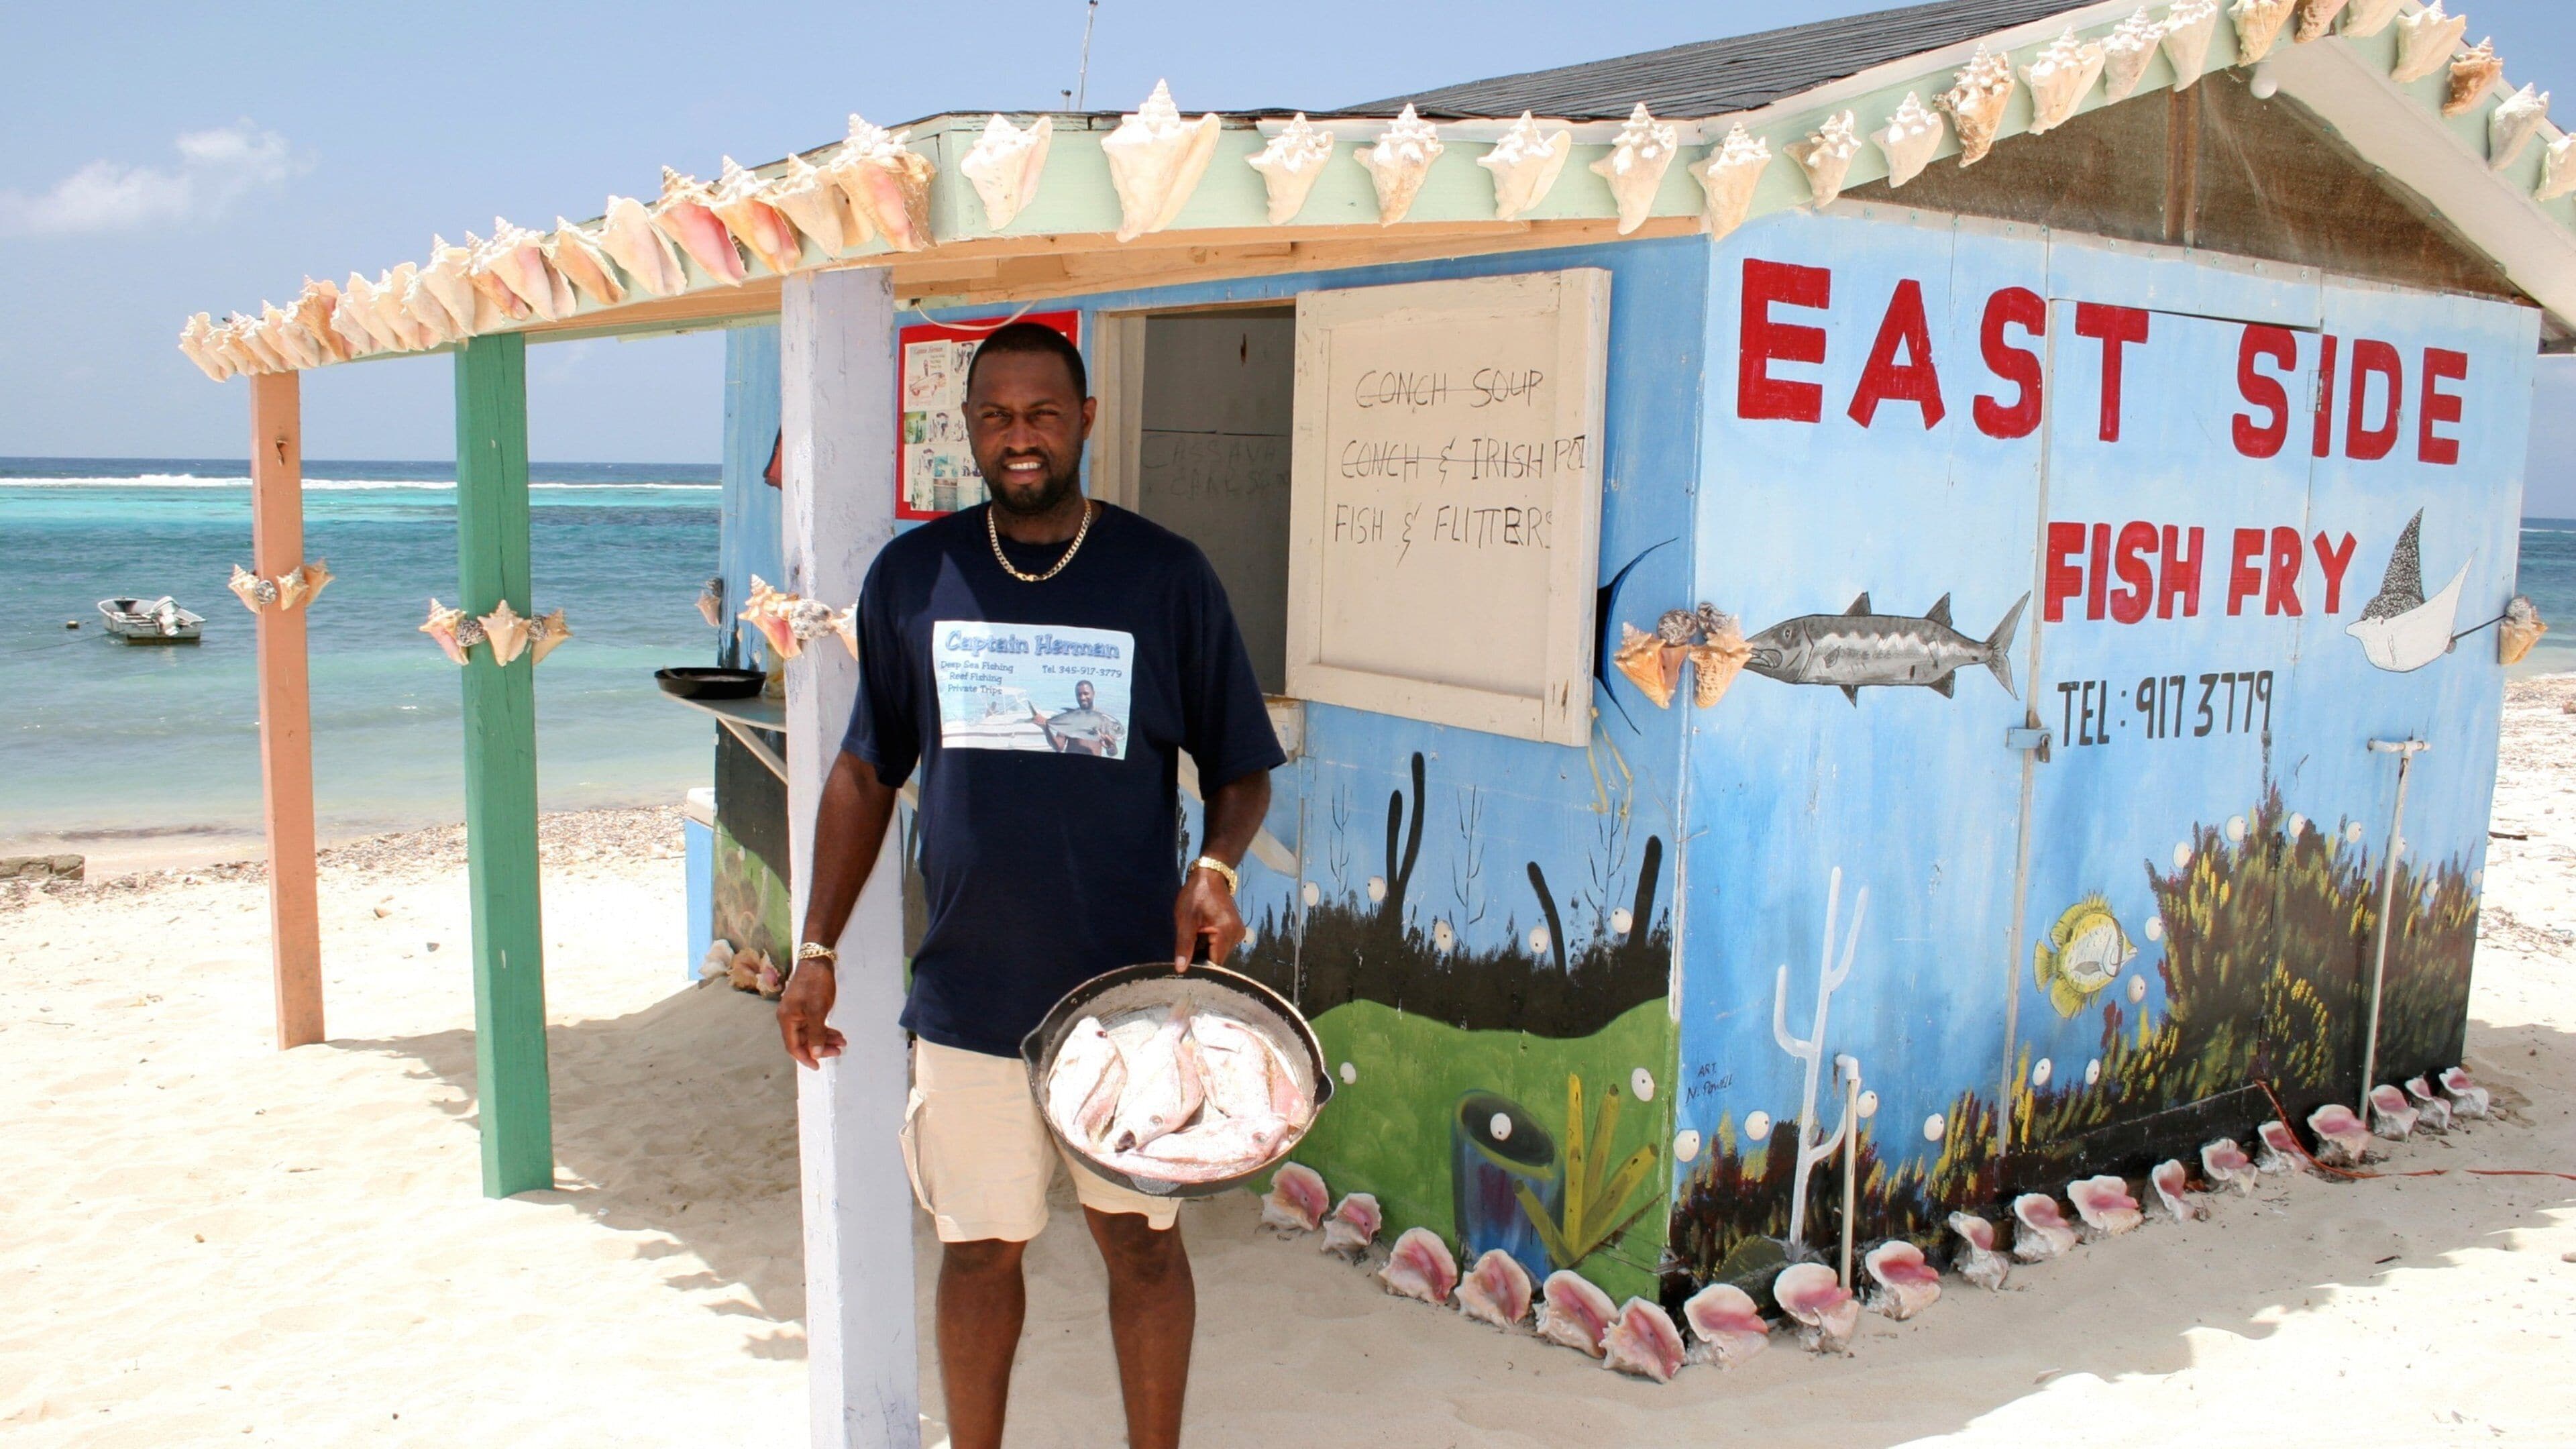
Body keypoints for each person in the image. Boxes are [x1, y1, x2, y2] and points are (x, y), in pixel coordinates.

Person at [777, 321, 1283, 1449]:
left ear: (1086, 421)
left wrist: (1213, 865)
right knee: (977, 1247)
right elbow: (866, 770)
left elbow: (1241, 765)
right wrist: (814, 950)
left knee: (1143, 1245)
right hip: (969, 990)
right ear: (967, 428)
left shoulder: (1164, 575)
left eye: (1044, 415)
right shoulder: (916, 576)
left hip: (1130, 999)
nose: (1021, 438)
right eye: (997, 417)